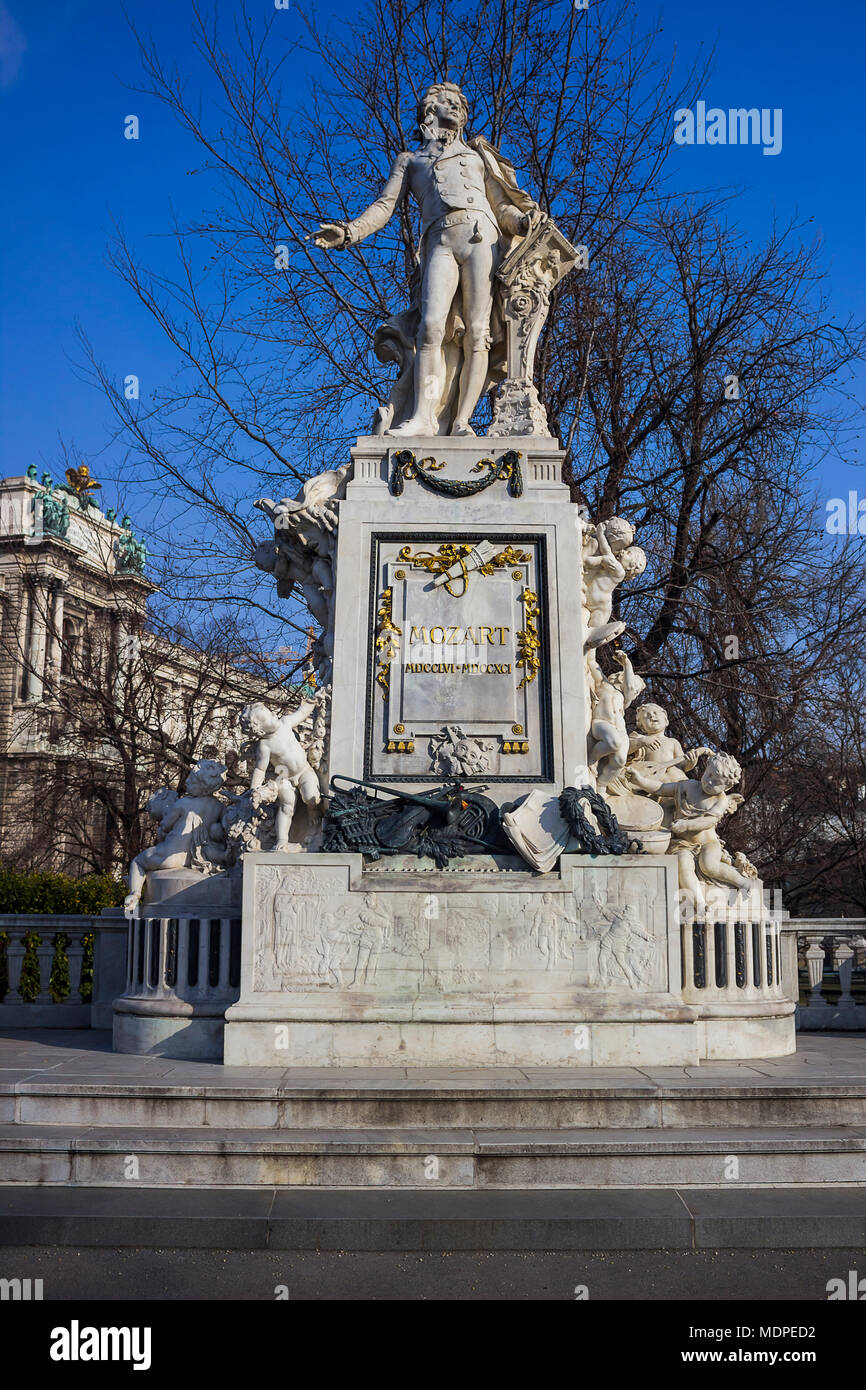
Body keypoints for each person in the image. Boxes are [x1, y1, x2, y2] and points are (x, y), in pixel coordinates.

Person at [314, 82, 539, 436]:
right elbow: (384, 206)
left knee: (478, 333)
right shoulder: (411, 160)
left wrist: (522, 222)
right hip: (440, 241)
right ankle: (422, 418)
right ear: (431, 108)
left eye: (462, 106)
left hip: (482, 239)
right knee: (430, 326)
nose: (459, 109)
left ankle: (463, 421)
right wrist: (349, 232)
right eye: (451, 102)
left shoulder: (478, 156)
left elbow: (501, 206)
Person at [239, 701, 321, 852]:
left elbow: (301, 713)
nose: (274, 715)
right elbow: (260, 769)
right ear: (260, 730)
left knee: (311, 797)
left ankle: (312, 810)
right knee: (286, 806)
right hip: (284, 777)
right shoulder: (265, 746)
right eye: (269, 718)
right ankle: (282, 839)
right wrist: (254, 790)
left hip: (304, 770)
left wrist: (313, 700)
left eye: (271, 713)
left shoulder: (284, 722)